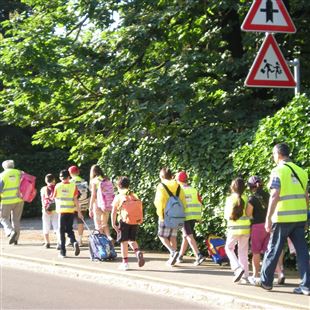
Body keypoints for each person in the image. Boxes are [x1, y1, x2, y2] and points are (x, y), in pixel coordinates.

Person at [260, 143, 310, 295]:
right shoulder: (302, 171)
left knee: (274, 249)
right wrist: (306, 217)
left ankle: (266, 282)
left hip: (282, 218)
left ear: (278, 154)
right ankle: (306, 285)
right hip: (299, 218)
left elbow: (275, 195)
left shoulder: (278, 171)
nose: (273, 158)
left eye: (273, 155)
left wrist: (268, 218)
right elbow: (306, 197)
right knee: (302, 252)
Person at [154, 167, 187, 266]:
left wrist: (160, 214)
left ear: (162, 176)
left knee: (161, 235)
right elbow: (183, 201)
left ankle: (172, 252)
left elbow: (159, 201)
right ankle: (173, 259)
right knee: (173, 237)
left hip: (165, 214)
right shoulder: (178, 186)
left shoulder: (161, 186)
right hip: (177, 215)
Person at [111, 176, 145, 271]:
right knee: (132, 239)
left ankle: (125, 263)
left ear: (118, 186)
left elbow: (113, 211)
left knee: (124, 242)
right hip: (134, 221)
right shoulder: (134, 195)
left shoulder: (119, 196)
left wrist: (113, 224)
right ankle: (137, 251)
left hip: (124, 221)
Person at [224, 177, 251, 284]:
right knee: (243, 252)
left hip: (233, 229)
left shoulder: (230, 199)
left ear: (232, 187)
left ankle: (237, 268)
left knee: (229, 248)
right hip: (246, 228)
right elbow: (249, 214)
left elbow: (227, 216)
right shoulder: (247, 198)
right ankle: (245, 276)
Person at [175, 171, 205, 266]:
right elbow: (200, 203)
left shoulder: (179, 191)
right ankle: (180, 256)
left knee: (188, 236)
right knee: (186, 236)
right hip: (193, 217)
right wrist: (199, 217)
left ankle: (198, 255)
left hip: (184, 217)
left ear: (178, 180)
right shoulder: (194, 190)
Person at [53, 169, 83, 258]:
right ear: (69, 177)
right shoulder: (73, 186)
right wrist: (79, 212)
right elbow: (76, 200)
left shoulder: (58, 186)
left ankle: (63, 252)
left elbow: (54, 197)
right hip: (70, 211)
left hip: (61, 212)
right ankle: (74, 242)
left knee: (61, 231)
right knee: (69, 229)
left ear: (60, 177)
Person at [0, 160, 24, 245]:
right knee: (16, 220)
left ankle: (10, 232)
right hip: (19, 200)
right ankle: (16, 240)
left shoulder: (2, 175)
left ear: (4, 167)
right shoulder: (20, 173)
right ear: (13, 166)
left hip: (6, 201)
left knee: (3, 218)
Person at [88, 164, 114, 242]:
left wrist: (90, 207)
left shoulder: (94, 181)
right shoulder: (106, 179)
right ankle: (109, 237)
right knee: (105, 223)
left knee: (98, 225)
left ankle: (101, 243)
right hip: (106, 204)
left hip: (97, 204)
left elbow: (93, 195)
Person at [68, 165, 89, 246]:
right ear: (78, 172)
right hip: (83, 205)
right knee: (80, 222)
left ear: (70, 173)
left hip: (72, 205)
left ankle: (71, 239)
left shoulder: (70, 182)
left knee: (69, 222)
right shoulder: (83, 181)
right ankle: (80, 240)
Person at [40, 173, 60, 249]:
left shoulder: (43, 189)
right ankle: (59, 242)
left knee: (45, 225)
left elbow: (43, 200)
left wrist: (45, 209)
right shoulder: (57, 187)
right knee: (57, 226)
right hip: (56, 209)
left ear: (46, 181)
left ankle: (47, 243)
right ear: (54, 180)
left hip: (46, 210)